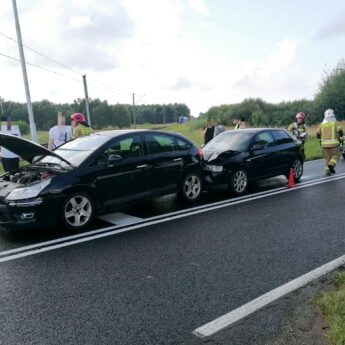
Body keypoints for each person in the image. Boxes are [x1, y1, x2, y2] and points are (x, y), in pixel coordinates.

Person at [316, 109, 343, 175]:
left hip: (324, 145)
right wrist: (342, 140)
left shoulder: (321, 125)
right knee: (336, 155)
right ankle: (331, 165)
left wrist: (322, 140)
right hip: (334, 145)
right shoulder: (336, 123)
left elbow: (318, 134)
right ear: (333, 116)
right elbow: (340, 133)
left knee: (327, 158)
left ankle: (327, 171)